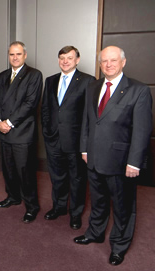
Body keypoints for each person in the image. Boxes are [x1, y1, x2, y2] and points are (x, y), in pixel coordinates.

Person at [74, 46, 152, 266]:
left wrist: (134, 162)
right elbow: (87, 121)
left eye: (113, 60)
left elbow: (142, 131)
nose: (108, 65)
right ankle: (95, 233)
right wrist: (84, 149)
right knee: (98, 200)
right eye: (104, 61)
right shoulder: (93, 87)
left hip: (121, 162)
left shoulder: (138, 90)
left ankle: (119, 246)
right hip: (94, 158)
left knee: (123, 206)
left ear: (123, 62)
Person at [41, 46, 95, 230]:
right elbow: (46, 109)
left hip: (75, 141)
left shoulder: (88, 81)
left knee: (77, 178)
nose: (65, 61)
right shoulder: (50, 80)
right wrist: (47, 132)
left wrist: (85, 143)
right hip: (53, 139)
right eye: (62, 58)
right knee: (57, 177)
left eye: (69, 58)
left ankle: (76, 213)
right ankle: (59, 207)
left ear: (77, 60)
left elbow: (90, 115)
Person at [0, 41, 42, 223]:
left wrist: (9, 122)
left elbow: (30, 104)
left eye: (18, 54)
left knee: (25, 171)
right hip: (3, 131)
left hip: (22, 131)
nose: (15, 57)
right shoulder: (3, 75)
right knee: (8, 169)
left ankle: (32, 206)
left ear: (25, 55)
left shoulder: (34, 75)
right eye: (12, 54)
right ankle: (13, 197)